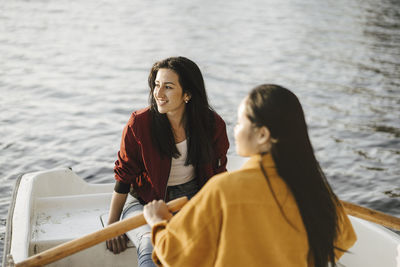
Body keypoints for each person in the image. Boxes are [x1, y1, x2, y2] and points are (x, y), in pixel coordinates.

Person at [143, 84, 357, 267]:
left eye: (239, 122)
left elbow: (175, 255)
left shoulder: (223, 189)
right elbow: (343, 238)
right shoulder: (314, 187)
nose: (234, 130)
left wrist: (159, 221)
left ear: (263, 134)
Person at [106, 56, 229, 267]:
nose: (158, 94)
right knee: (151, 245)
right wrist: (112, 226)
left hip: (192, 199)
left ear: (188, 94)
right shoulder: (140, 123)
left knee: (210, 245)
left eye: (168, 87)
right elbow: (124, 177)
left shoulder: (211, 124)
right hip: (145, 201)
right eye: (156, 85)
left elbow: (218, 177)